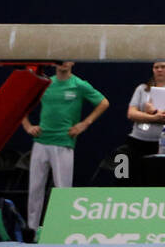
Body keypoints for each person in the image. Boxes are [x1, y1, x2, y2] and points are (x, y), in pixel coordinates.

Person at [21, 61, 109, 234]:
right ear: (54, 63)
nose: (63, 64)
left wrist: (85, 124)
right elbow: (22, 103)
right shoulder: (46, 84)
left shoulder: (79, 85)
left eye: (66, 60)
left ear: (73, 62)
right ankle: (31, 230)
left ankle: (63, 229)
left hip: (63, 142)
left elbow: (104, 103)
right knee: (35, 189)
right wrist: (27, 126)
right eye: (59, 60)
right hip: (41, 141)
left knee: (63, 190)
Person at [122, 60, 165, 160]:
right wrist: (153, 117)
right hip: (138, 140)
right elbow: (131, 113)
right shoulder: (142, 89)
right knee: (126, 170)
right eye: (156, 67)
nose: (159, 70)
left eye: (163, 67)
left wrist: (154, 112)